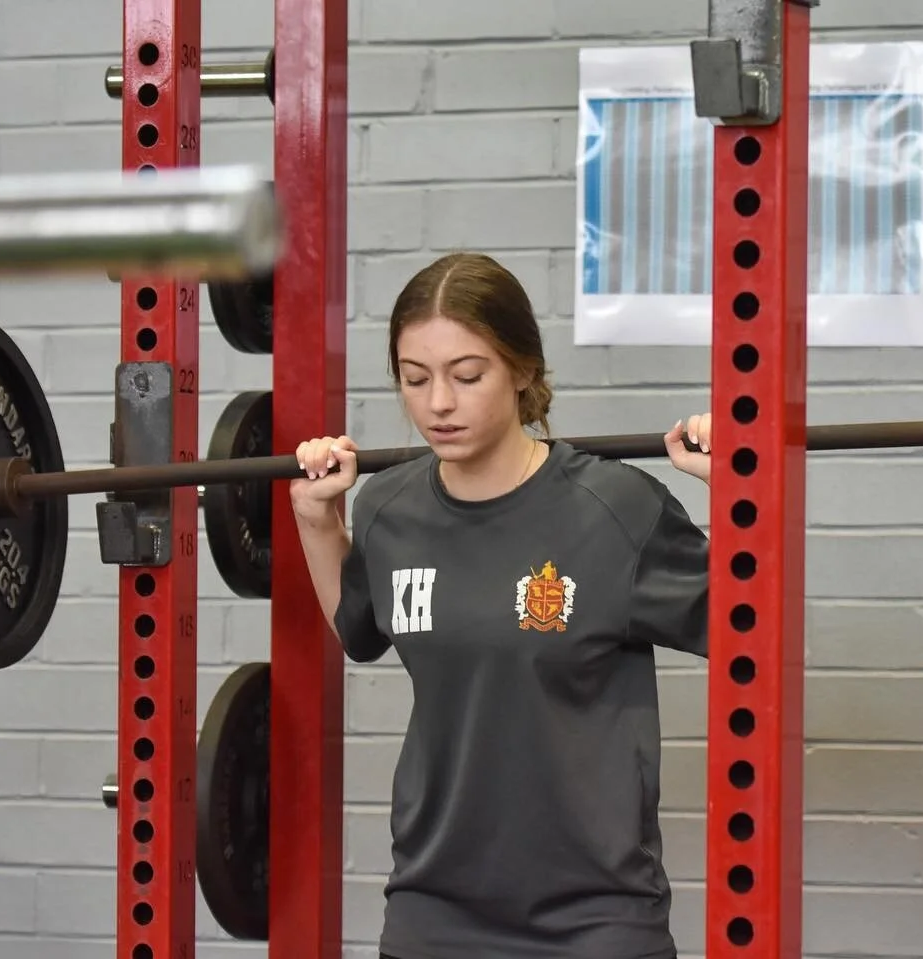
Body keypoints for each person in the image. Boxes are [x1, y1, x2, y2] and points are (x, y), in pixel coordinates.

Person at [290, 251, 712, 959]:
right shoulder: (389, 508)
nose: (438, 404)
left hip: (595, 920)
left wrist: (742, 496)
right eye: (415, 378)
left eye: (467, 374)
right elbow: (360, 631)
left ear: (522, 371)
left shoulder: (616, 511)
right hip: (433, 910)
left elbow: (751, 629)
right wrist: (316, 522)